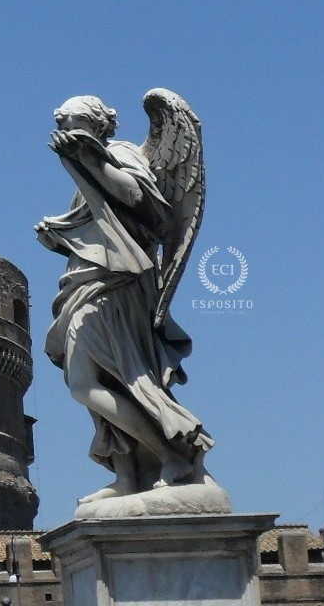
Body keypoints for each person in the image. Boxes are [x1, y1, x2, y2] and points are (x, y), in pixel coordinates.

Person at [35, 93, 210, 507]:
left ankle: (173, 454)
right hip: (89, 280)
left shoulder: (121, 153)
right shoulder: (85, 167)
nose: (66, 131)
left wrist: (93, 161)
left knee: (94, 380)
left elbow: (147, 209)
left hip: (120, 284)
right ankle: (128, 474)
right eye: (62, 124)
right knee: (99, 380)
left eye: (74, 122)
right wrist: (59, 238)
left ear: (97, 124)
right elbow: (102, 232)